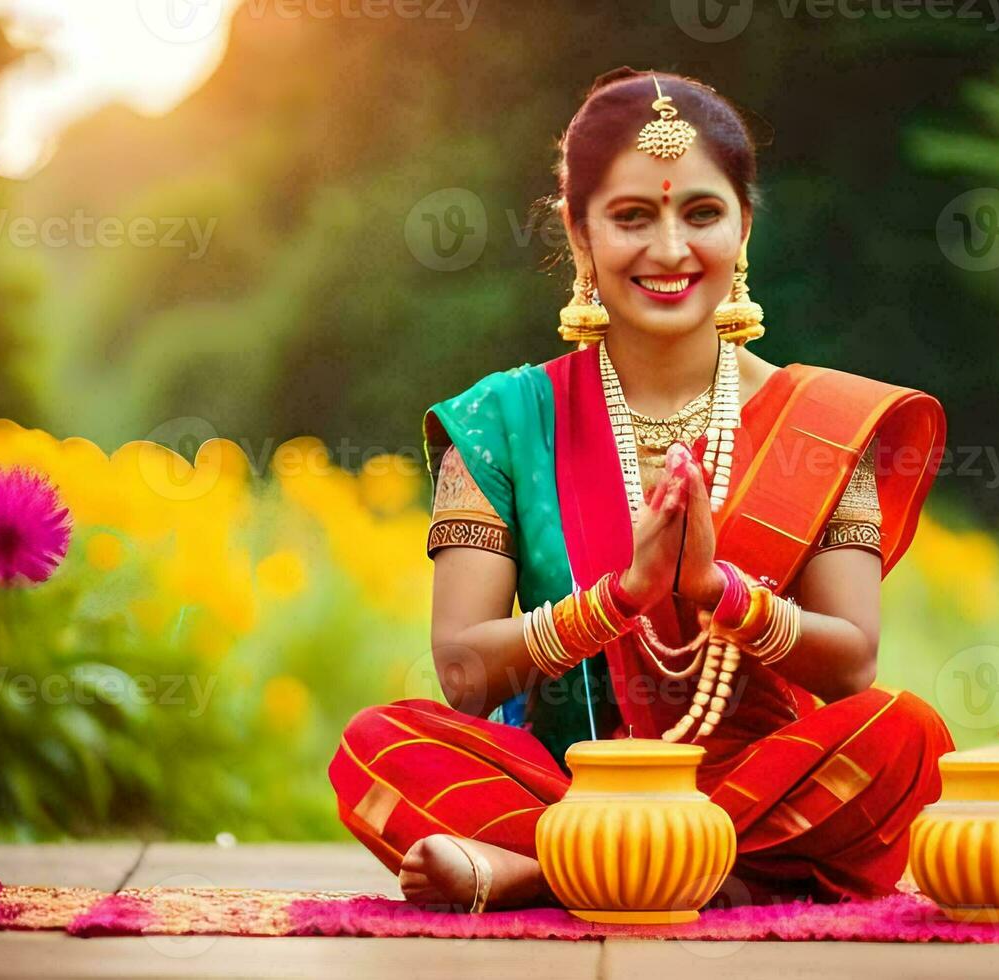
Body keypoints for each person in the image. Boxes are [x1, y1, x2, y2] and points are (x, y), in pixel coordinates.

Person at [328, 67, 954, 914]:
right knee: (379, 744)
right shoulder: (499, 422)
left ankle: (546, 873)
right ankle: (702, 877)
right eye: (632, 217)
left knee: (903, 736)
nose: (669, 250)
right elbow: (464, 672)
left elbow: (853, 666)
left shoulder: (824, 421)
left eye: (701, 212)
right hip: (565, 780)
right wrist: (620, 598)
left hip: (755, 786)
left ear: (743, 229)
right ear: (579, 233)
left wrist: (715, 590)